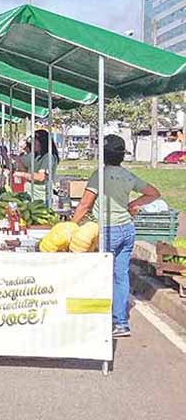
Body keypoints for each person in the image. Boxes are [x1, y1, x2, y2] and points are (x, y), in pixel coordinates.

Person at [71, 135, 161, 338]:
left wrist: (70, 226)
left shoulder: (99, 175)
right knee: (120, 276)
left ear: (103, 155)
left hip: (108, 230)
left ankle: (97, 318)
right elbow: (154, 192)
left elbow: (85, 204)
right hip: (127, 229)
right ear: (122, 156)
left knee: (101, 274)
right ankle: (120, 323)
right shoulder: (128, 176)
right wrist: (133, 205)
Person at [13, 129, 59, 204]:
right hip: (29, 194)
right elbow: (25, 171)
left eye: (35, 142)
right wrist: (18, 161)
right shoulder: (36, 156)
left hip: (41, 197)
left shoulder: (49, 157)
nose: (33, 144)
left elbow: (41, 177)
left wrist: (22, 174)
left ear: (42, 142)